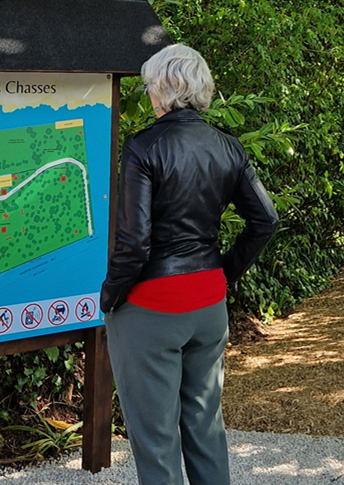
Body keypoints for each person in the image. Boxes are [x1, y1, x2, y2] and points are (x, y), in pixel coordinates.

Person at [101, 43, 279, 485]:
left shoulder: (143, 148)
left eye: (148, 88)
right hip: (208, 305)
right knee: (205, 427)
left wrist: (111, 296)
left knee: (156, 440)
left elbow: (135, 242)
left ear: (160, 91)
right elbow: (266, 220)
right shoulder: (229, 148)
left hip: (150, 307)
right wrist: (225, 273)